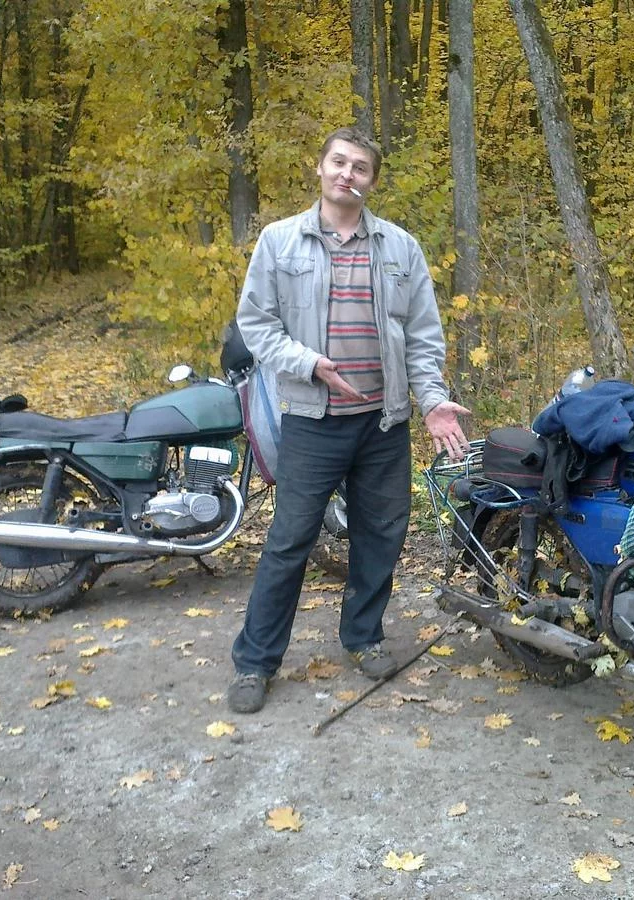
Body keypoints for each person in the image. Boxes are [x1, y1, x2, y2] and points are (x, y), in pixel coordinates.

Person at [227, 127, 470, 714]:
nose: (347, 174)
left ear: (371, 181)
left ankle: (363, 637)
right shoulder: (280, 241)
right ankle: (255, 663)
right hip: (313, 420)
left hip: (383, 424)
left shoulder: (400, 248)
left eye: (360, 167)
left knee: (381, 535)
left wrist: (432, 400)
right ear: (320, 168)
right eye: (339, 162)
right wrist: (309, 364)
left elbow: (422, 337)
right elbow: (256, 325)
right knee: (290, 541)